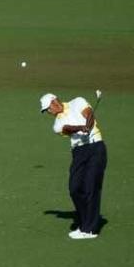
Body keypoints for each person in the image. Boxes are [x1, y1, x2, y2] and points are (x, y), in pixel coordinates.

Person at [39, 93, 107, 240]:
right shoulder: (56, 125)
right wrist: (80, 128)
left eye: (47, 109)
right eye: (46, 111)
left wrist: (88, 126)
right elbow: (67, 128)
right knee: (74, 188)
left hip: (96, 147)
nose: (48, 112)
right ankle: (84, 223)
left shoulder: (78, 101)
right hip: (79, 152)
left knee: (91, 187)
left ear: (54, 102)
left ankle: (90, 229)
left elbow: (89, 113)